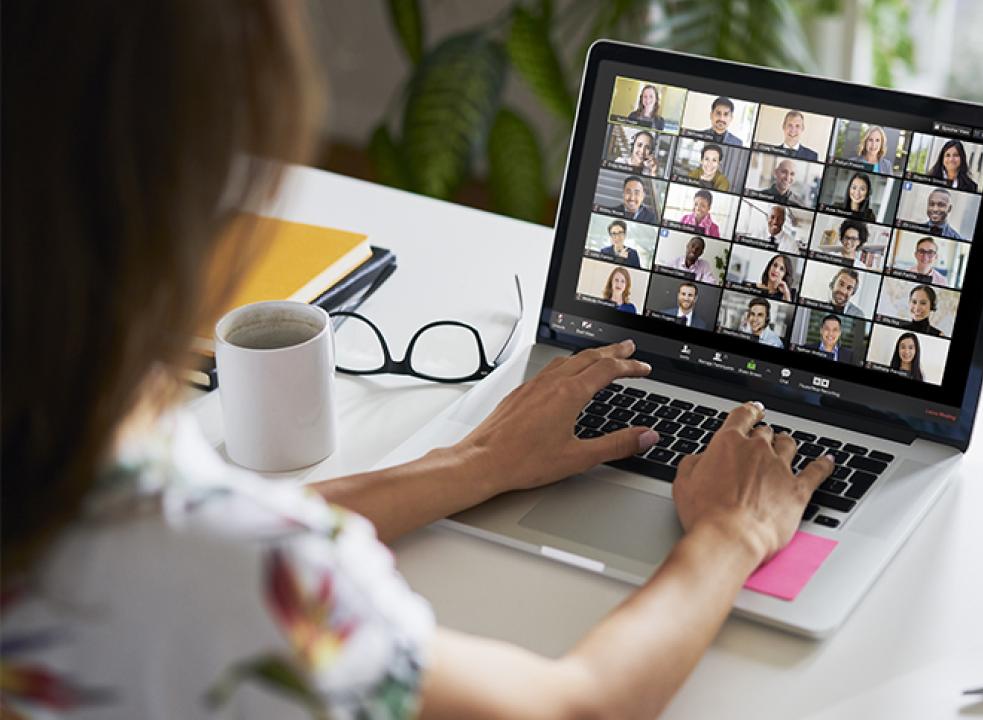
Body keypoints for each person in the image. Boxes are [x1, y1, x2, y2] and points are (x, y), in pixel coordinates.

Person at [3, 6, 837, 718]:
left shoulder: (61, 476)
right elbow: (569, 706)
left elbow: (159, 519)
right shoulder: (247, 575)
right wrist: (733, 534)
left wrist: (469, 464)